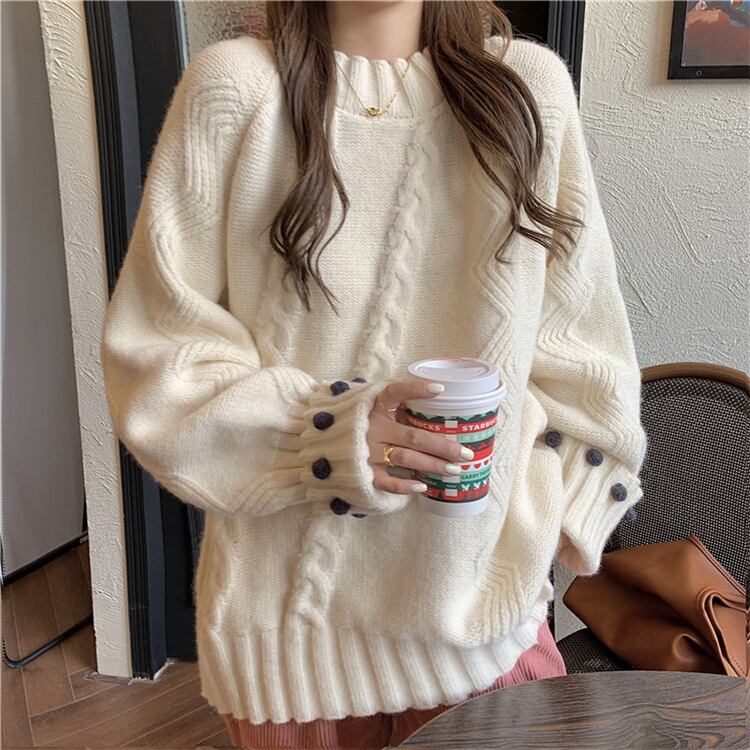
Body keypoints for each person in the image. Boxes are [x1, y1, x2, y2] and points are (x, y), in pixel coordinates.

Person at [100, 0, 647, 747]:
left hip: (486, 625)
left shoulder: (529, 88)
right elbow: (159, 361)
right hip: (290, 649)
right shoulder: (234, 90)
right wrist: (322, 434)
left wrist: (551, 513)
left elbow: (586, 347)